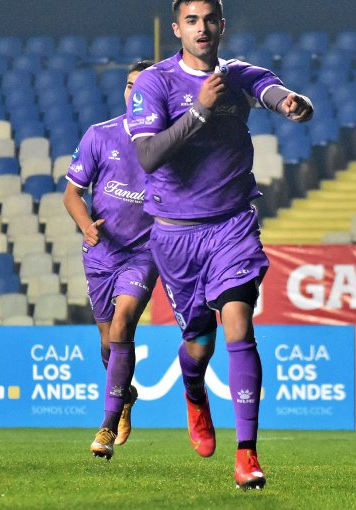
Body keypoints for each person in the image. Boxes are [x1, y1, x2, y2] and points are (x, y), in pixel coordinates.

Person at [126, 0, 313, 490]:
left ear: (222, 26)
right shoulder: (154, 83)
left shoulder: (239, 74)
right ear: (177, 29)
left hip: (232, 224)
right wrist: (200, 112)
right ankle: (194, 391)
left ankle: (247, 453)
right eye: (192, 20)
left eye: (209, 19)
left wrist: (289, 102)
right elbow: (147, 156)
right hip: (175, 233)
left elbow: (268, 89)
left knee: (239, 320)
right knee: (198, 345)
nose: (202, 27)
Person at [63, 60, 157, 461]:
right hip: (101, 253)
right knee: (108, 343)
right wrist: (86, 226)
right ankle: (126, 394)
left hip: (145, 252)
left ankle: (106, 424)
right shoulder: (99, 135)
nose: (134, 92)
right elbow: (71, 194)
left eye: (144, 86)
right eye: (129, 85)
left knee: (122, 327)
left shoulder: (171, 142)